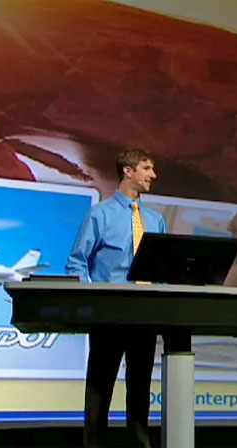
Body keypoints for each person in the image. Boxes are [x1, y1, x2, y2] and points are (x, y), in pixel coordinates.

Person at [66, 148, 166, 448]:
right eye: (147, 168)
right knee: (100, 387)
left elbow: (162, 269)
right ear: (128, 171)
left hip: (145, 314)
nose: (153, 175)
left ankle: (139, 443)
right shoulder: (100, 214)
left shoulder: (156, 220)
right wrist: (91, 304)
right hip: (109, 314)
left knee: (140, 388)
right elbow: (77, 263)